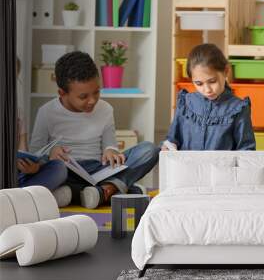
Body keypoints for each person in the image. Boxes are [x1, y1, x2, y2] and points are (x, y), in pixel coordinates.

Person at [30, 51, 159, 209]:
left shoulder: (105, 109)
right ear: (62, 93)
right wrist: (50, 153)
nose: (92, 101)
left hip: (98, 169)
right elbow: (35, 153)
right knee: (54, 172)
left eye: (97, 92)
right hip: (65, 172)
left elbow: (110, 144)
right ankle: (115, 189)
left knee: (149, 150)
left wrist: (111, 150)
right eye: (83, 97)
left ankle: (100, 190)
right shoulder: (46, 112)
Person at [162, 43, 255, 151]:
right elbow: (172, 139)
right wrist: (168, 147)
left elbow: (246, 149)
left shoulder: (238, 108)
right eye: (199, 83)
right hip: (188, 166)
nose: (207, 90)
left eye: (212, 81)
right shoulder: (186, 103)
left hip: (221, 167)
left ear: (226, 71)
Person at [15, 57, 69, 206]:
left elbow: (23, 150)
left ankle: (19, 200)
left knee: (58, 167)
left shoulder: (17, 112)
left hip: (16, 177)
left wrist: (32, 167)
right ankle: (33, 198)